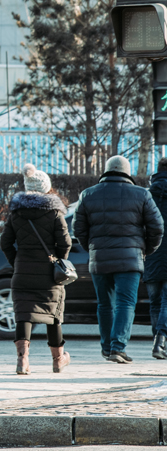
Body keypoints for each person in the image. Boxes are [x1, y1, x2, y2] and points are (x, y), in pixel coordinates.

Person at [74, 155, 164, 364]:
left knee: (104, 304)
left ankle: (107, 348)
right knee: (125, 303)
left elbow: (78, 228)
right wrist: (146, 250)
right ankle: (118, 348)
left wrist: (92, 247)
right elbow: (157, 227)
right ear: (127, 172)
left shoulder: (88, 194)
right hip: (130, 260)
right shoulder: (141, 194)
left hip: (99, 258)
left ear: (106, 171)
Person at [0, 164, 72, 375]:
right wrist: (57, 261)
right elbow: (65, 243)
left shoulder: (16, 214)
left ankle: (23, 361)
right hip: (49, 274)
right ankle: (58, 360)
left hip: (22, 272)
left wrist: (17, 262)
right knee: (53, 315)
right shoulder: (55, 213)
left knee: (24, 314)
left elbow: (5, 243)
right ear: (47, 187)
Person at [146, 157, 167, 359]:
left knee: (154, 301)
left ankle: (156, 342)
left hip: (151, 253)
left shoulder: (148, 194)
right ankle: (160, 341)